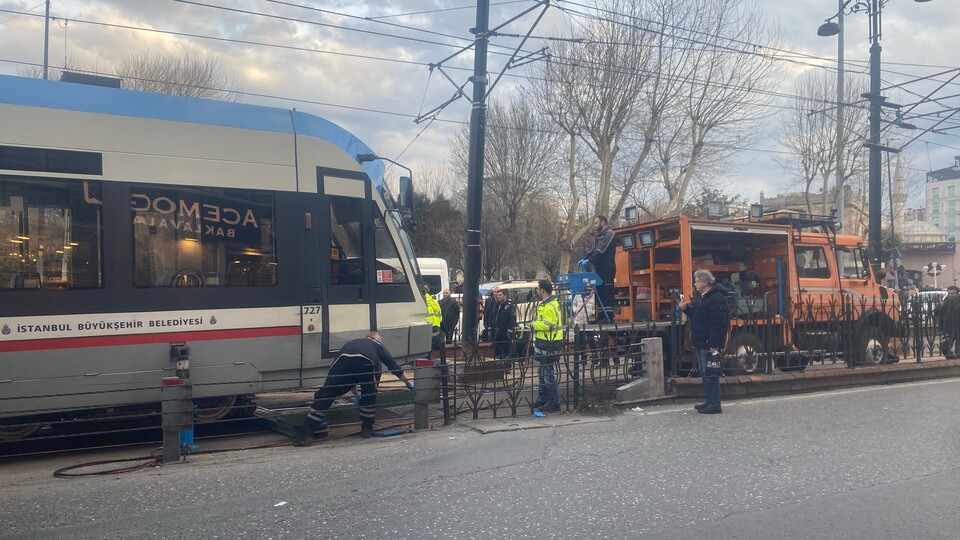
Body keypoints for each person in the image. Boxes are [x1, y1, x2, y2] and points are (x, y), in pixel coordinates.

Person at [292, 331, 413, 445]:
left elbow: (352, 375)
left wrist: (355, 396)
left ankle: (307, 433)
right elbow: (394, 366)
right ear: (376, 339)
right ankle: (366, 429)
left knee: (326, 394)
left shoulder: (352, 343)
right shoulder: (377, 344)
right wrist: (408, 383)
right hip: (366, 362)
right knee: (369, 395)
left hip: (341, 362)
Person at [678, 269, 729, 415]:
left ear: (706, 282)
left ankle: (715, 404)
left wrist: (714, 345)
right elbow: (697, 317)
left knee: (711, 374)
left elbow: (718, 324)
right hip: (701, 341)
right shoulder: (702, 297)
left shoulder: (717, 298)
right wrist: (686, 309)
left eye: (697, 281)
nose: (695, 283)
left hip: (709, 343)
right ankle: (709, 400)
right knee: (705, 374)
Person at [531, 279, 564, 412]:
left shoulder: (549, 306)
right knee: (542, 372)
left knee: (547, 374)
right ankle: (543, 398)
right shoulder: (548, 304)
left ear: (542, 290)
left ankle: (554, 402)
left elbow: (548, 324)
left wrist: (533, 325)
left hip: (549, 342)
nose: (537, 292)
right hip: (546, 342)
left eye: (538, 289)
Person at [579, 215, 617, 321]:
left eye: (596, 223)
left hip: (607, 268)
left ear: (603, 222)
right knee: (599, 290)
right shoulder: (599, 236)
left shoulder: (609, 234)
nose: (595, 226)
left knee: (606, 290)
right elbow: (594, 250)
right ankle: (601, 314)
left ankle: (608, 315)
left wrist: (589, 260)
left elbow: (601, 250)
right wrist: (584, 258)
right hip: (599, 268)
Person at [489, 288, 517, 361]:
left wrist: (510, 330)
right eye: (497, 295)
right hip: (497, 331)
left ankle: (507, 366)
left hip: (505, 331)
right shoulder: (496, 304)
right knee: (497, 350)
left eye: (500, 295)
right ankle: (498, 366)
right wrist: (490, 327)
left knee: (506, 350)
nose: (498, 297)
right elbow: (492, 316)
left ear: (505, 295)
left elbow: (512, 318)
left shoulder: (509, 306)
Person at [938, 286, 960, 359]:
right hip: (948, 329)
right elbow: (937, 314)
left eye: (953, 293)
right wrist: (939, 307)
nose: (950, 295)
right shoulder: (945, 302)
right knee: (944, 347)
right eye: (949, 293)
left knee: (958, 349)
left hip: (958, 328)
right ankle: (952, 360)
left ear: (957, 294)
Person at [423, 284, 442, 357]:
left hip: (425, 325)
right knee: (432, 345)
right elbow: (439, 312)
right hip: (435, 325)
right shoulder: (434, 301)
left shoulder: (421, 300)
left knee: (426, 345)